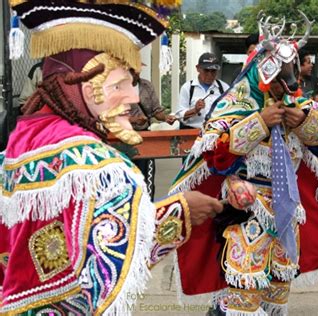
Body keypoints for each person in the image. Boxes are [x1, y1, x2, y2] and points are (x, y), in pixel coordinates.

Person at [0, 1, 223, 314]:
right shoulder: (104, 169)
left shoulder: (18, 148)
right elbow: (110, 260)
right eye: (120, 84)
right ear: (83, 87)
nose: (133, 98)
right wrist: (182, 212)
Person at [169, 12, 318, 315]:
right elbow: (215, 152)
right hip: (245, 209)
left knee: (278, 290)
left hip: (287, 212)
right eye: (277, 81)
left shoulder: (297, 105)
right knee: (244, 291)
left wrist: (303, 121)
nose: (284, 88)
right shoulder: (235, 104)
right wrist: (259, 123)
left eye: (289, 80)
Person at [129, 70, 175, 199]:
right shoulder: (117, 86)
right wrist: (133, 120)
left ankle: (148, 205)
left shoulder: (146, 86)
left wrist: (165, 118)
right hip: (124, 137)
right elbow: (111, 115)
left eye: (137, 70)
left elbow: (156, 110)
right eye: (132, 70)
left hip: (145, 137)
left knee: (147, 176)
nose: (135, 73)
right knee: (129, 176)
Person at [176, 53, 229, 129]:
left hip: (216, 132)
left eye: (213, 71)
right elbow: (179, 116)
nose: (209, 75)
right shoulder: (187, 88)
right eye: (206, 70)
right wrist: (195, 110)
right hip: (192, 132)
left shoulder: (224, 88)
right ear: (198, 68)